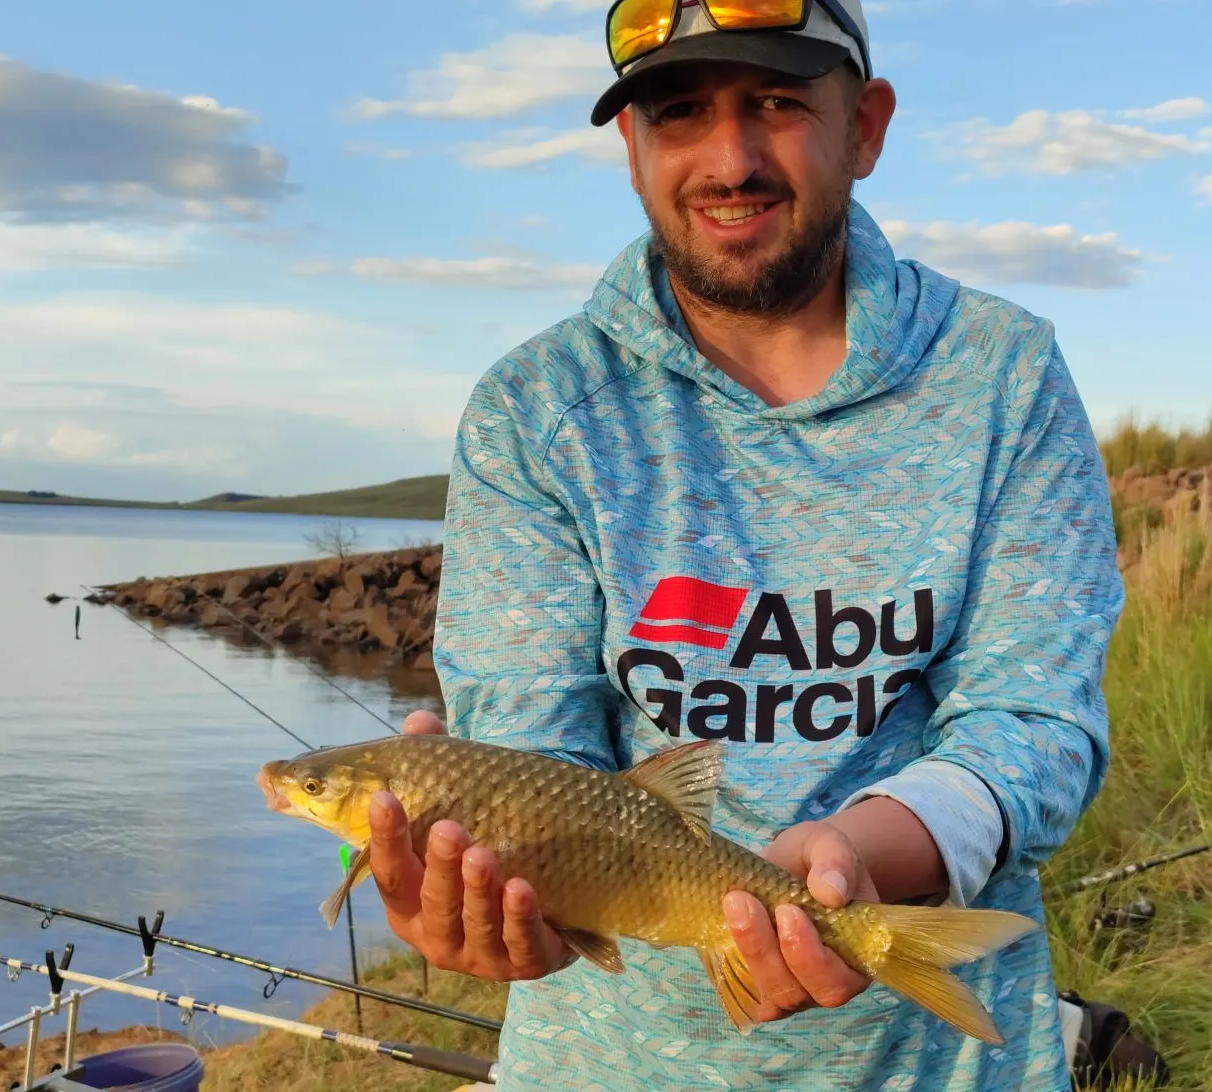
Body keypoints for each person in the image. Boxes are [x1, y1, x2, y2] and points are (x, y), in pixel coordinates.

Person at [368, 1, 1136, 1087]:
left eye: (776, 102)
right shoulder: (532, 411)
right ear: (633, 151)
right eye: (680, 113)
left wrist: (858, 859)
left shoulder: (1003, 376)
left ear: (864, 127)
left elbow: (1037, 722)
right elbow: (536, 751)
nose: (729, 159)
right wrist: (498, 902)